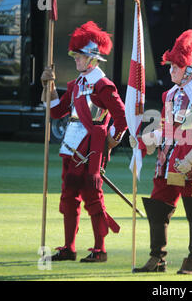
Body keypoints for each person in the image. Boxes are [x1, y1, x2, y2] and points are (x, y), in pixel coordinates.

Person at [40, 21, 127, 263]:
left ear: (92, 58)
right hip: (70, 147)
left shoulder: (103, 85)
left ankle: (100, 249)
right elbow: (56, 112)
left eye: (79, 56)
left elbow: (121, 117)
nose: (75, 60)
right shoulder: (77, 84)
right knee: (68, 198)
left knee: (93, 198)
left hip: (90, 151)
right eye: (75, 55)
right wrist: (48, 86)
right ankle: (69, 247)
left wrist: (110, 141)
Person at [131, 29, 192, 275]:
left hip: (190, 162)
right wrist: (147, 140)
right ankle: (157, 257)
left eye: (175, 67)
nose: (171, 71)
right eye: (170, 67)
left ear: (189, 69)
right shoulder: (169, 94)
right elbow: (167, 129)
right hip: (167, 159)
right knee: (157, 205)